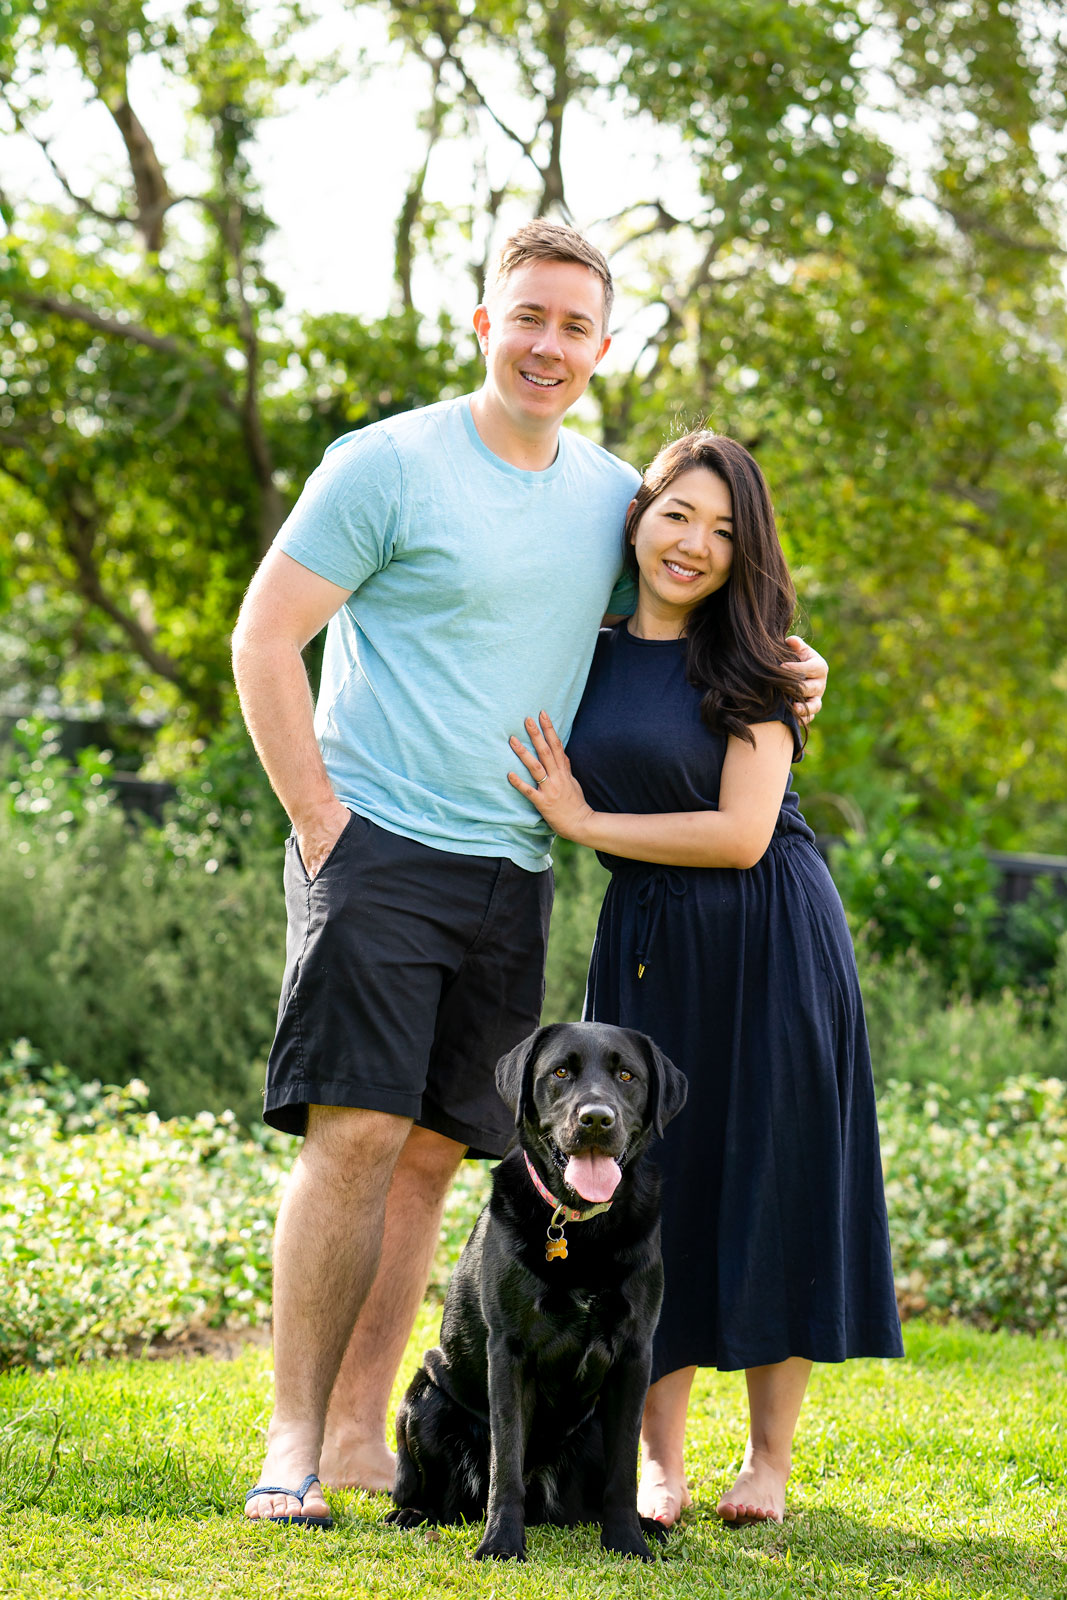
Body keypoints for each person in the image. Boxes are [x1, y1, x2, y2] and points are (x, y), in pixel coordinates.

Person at [232, 224, 829, 1527]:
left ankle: (354, 1438)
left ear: (600, 348)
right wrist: (319, 821)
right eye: (529, 318)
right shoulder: (381, 464)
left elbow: (700, 582)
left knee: (438, 1154)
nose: (548, 344)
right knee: (355, 1135)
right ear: (482, 322)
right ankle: (288, 1444)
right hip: (375, 839)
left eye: (574, 327)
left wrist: (795, 664)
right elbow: (264, 635)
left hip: (513, 867)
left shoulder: (610, 499)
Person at [507, 430, 903, 1529]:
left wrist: (588, 821)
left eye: (724, 531)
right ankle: (659, 1464)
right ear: (636, 519)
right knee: (648, 1181)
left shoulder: (762, 663)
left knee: (777, 1169)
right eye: (677, 514)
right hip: (643, 933)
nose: (694, 543)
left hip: (770, 933)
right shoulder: (576, 647)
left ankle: (767, 1461)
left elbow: (738, 832)